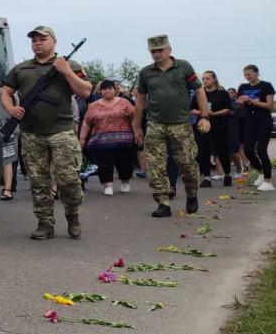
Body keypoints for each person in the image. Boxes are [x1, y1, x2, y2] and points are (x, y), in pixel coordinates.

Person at [0, 26, 92, 239]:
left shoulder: (69, 65)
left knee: (68, 179)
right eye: (34, 40)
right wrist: (11, 109)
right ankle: (45, 222)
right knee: (38, 181)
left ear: (54, 42)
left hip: (62, 132)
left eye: (43, 39)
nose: (38, 43)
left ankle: (73, 215)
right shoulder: (21, 69)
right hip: (32, 133)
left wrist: (66, 71)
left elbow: (85, 91)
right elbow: (5, 92)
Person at [133, 35, 208, 218]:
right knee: (156, 165)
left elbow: (199, 90)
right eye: (153, 51)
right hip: (156, 124)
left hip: (181, 124)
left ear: (169, 50)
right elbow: (140, 99)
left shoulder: (183, 67)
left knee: (187, 162)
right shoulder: (146, 72)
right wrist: (137, 127)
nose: (157, 54)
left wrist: (205, 117)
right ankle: (163, 202)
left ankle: (191, 194)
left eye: (160, 50)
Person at [79, 79, 136, 195]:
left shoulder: (124, 102)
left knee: (125, 162)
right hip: (101, 141)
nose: (107, 91)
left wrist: (137, 132)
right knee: (104, 163)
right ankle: (107, 185)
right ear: (100, 91)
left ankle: (125, 181)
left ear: (114, 90)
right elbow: (86, 122)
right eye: (104, 89)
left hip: (124, 140)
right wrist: (82, 138)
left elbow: (133, 118)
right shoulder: (94, 105)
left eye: (110, 88)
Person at [236, 64, 275, 191]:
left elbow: (269, 105)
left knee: (261, 150)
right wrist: (240, 103)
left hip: (264, 120)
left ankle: (268, 181)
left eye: (250, 74)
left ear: (257, 73)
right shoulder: (243, 87)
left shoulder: (266, 85)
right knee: (247, 150)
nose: (248, 77)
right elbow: (241, 106)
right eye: (245, 75)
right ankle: (262, 172)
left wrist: (251, 100)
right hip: (250, 120)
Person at [192, 71, 233, 188]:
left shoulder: (222, 93)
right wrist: (203, 112)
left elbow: (228, 109)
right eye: (203, 79)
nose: (205, 81)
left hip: (219, 125)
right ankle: (206, 177)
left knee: (222, 151)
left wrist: (214, 113)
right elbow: (192, 109)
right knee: (203, 150)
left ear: (214, 79)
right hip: (203, 125)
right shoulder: (200, 93)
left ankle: (227, 174)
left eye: (208, 78)